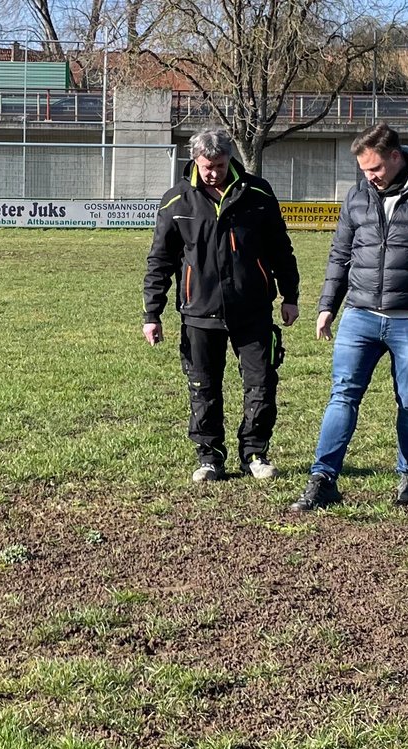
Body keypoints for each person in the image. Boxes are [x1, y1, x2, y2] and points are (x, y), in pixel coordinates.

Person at [291, 124, 408, 511]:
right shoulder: (357, 196)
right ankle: (323, 479)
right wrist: (327, 306)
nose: (368, 177)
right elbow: (340, 254)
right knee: (342, 396)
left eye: (374, 168)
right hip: (359, 315)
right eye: (363, 170)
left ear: (395, 155)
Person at [142, 129, 301, 483]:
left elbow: (280, 249)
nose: (214, 171)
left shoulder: (258, 193)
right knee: (203, 388)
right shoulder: (176, 201)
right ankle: (209, 458)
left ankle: (255, 454)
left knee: (261, 385)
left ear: (231, 159)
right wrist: (152, 313)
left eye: (220, 164)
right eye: (207, 165)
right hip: (199, 313)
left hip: (253, 311)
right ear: (195, 160)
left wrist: (290, 296)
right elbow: (160, 261)